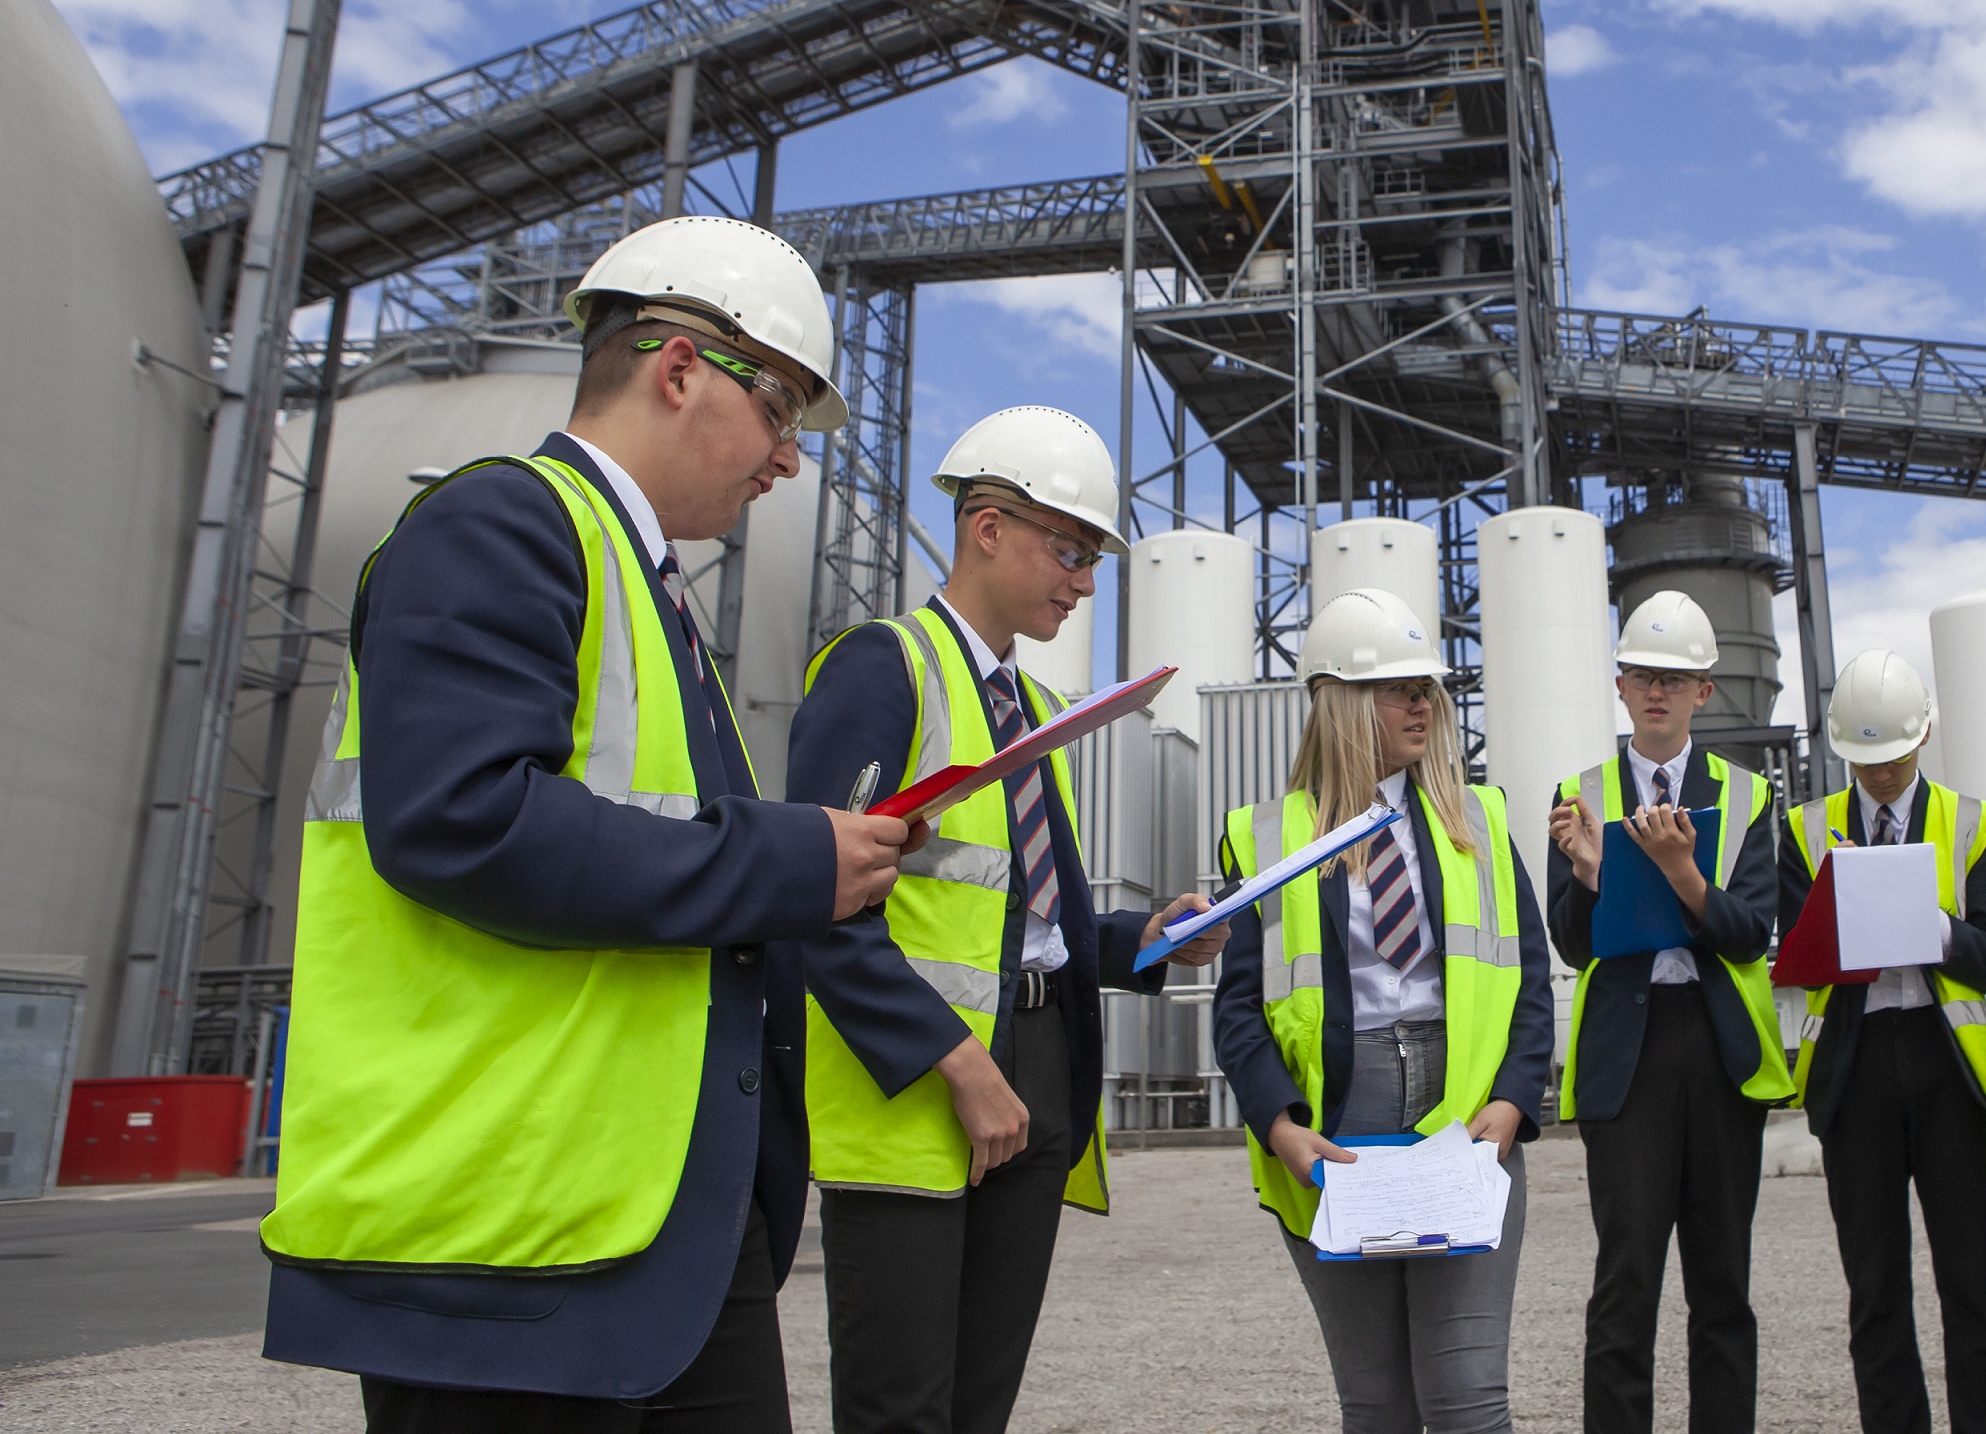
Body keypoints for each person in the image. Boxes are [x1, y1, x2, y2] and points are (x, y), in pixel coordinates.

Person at [261, 217, 918, 1430]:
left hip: (643, 1215)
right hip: (501, 1236)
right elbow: (460, 822)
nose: (785, 460)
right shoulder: (501, 524)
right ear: (679, 369)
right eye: (779, 411)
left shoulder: (645, 590)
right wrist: (787, 856)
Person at [790, 405, 1227, 1434]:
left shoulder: (1018, 708)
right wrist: (956, 1060)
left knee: (977, 1406)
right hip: (919, 1085)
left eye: (1090, 561)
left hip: (1029, 1060)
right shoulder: (880, 668)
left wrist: (1148, 939)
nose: (1082, 582)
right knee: (903, 1410)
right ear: (986, 528)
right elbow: (810, 900)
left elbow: (1019, 913)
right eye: (1069, 551)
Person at [1212, 586, 1555, 1433]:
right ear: (1342, 701)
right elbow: (1238, 1013)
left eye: (1428, 689)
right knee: (1377, 1409)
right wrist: (1281, 1128)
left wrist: (1513, 1103)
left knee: (1470, 1400)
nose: (1424, 704)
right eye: (1400, 687)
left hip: (1470, 1123)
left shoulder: (1479, 820)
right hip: (1333, 1129)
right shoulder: (1263, 836)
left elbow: (1532, 981)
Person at [1547, 589, 1791, 1434]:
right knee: (1626, 1286)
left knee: (1723, 1286)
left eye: (1675, 678)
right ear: (1620, 685)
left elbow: (1750, 933)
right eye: (1643, 676)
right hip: (1629, 1056)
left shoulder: (1750, 798)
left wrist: (1684, 872)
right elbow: (1574, 946)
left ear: (1704, 693)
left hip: (1719, 1054)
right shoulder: (1578, 794)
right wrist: (1586, 873)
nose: (1657, 691)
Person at [1777, 649, 1986, 1434]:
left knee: (1971, 1287)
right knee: (1875, 1292)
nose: (1880, 774)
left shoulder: (1971, 823)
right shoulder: (1804, 831)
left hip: (1948, 1069)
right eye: (1864, 759)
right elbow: (1792, 959)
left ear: (1922, 737)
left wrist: (1935, 929)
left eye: (1893, 756)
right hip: (1855, 1071)